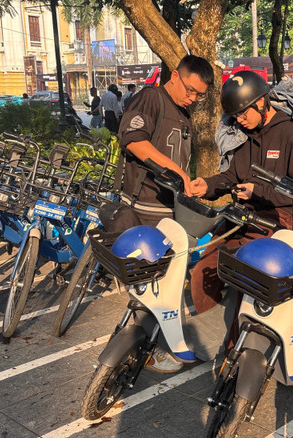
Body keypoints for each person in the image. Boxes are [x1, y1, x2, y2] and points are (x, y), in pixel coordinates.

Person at [188, 70, 293, 365]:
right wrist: (208, 185)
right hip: (242, 217)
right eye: (235, 115)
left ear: (261, 103)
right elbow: (232, 176)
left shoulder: (291, 133)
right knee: (203, 270)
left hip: (277, 220)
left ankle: (236, 351)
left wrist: (259, 190)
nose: (239, 120)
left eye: (243, 113)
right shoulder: (244, 135)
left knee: (244, 276)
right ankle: (212, 335)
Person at [115, 55, 213, 373]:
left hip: (165, 208)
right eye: (190, 90)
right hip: (142, 206)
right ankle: (149, 347)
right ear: (174, 77)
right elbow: (134, 142)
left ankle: (146, 341)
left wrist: (190, 181)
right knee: (153, 281)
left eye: (200, 95)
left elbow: (178, 160)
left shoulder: (182, 112)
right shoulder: (151, 97)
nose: (193, 98)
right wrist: (178, 174)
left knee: (160, 281)